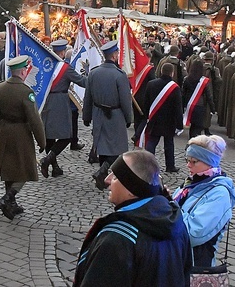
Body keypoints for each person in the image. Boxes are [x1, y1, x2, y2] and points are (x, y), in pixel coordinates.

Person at [73, 150, 192, 287]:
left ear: (131, 188)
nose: (107, 180)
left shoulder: (117, 238)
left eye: (116, 177)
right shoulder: (177, 223)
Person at [0, 55, 46, 219]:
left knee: (9, 168)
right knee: (25, 169)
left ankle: (11, 205)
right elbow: (34, 119)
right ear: (22, 72)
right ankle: (6, 198)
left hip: (5, 131)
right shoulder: (25, 92)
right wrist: (41, 141)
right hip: (21, 133)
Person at [172, 135, 235, 268]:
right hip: (177, 259)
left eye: (194, 161)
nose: (188, 165)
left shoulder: (219, 194)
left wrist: (168, 208)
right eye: (187, 160)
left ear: (209, 162)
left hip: (195, 265)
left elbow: (194, 233)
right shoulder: (191, 183)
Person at [83, 40, 134, 190]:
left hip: (98, 113)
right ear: (114, 55)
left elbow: (88, 97)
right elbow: (126, 100)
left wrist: (86, 116)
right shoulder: (120, 75)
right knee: (118, 148)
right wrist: (128, 117)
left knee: (102, 146)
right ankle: (102, 172)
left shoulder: (93, 73)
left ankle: (102, 176)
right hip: (115, 114)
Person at [40, 39, 87, 178]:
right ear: (62, 52)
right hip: (59, 102)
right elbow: (82, 81)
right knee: (67, 136)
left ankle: (54, 167)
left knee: (49, 136)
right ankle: (48, 160)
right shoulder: (65, 68)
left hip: (46, 101)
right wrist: (90, 73)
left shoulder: (46, 65)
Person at [142, 62, 183, 173]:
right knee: (169, 144)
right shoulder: (175, 88)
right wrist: (180, 125)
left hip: (154, 119)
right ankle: (170, 166)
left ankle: (148, 165)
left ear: (161, 71)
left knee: (152, 142)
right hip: (169, 121)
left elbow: (145, 103)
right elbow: (178, 108)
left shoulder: (151, 84)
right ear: (172, 73)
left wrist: (146, 117)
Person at [182, 60, 216, 139]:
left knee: (192, 127)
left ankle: (191, 142)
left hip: (189, 105)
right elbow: (209, 96)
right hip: (199, 106)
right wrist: (212, 108)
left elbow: (183, 93)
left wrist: (183, 106)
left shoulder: (186, 79)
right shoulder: (204, 81)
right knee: (197, 128)